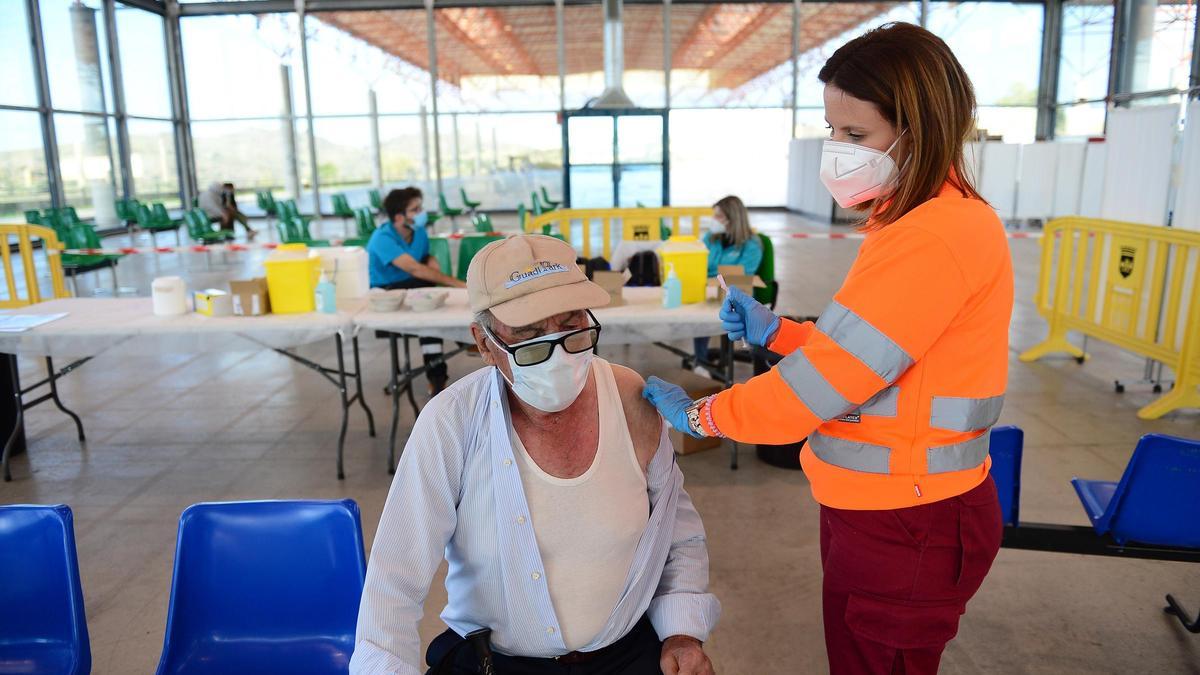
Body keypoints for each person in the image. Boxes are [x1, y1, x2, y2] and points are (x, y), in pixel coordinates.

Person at [644, 23, 1012, 675]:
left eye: (855, 134)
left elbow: (819, 388)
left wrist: (700, 416)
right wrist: (780, 333)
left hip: (911, 520)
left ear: (918, 129)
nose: (836, 150)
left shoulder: (933, 236)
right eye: (831, 129)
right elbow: (875, 355)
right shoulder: (914, 223)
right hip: (881, 508)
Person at [350, 234, 719, 675]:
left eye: (571, 324)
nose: (560, 353)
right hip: (496, 663)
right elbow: (394, 582)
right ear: (484, 344)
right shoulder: (452, 422)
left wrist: (682, 632)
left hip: (625, 654)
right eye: (530, 336)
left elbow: (678, 535)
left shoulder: (630, 399)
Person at [368, 187, 466, 395]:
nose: (422, 213)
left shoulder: (418, 232)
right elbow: (414, 268)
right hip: (389, 292)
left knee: (437, 309)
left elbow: (423, 258)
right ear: (398, 217)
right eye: (415, 209)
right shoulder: (382, 238)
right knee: (430, 317)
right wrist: (457, 283)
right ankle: (438, 375)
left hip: (415, 286)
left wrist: (432, 260)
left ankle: (461, 342)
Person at [691, 195, 763, 379]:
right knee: (697, 311)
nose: (714, 221)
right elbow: (699, 264)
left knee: (714, 310)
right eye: (714, 216)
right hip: (711, 289)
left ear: (733, 218)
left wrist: (713, 275)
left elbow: (742, 274)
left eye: (719, 217)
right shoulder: (711, 238)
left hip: (738, 294)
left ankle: (756, 361)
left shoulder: (752, 245)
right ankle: (700, 360)